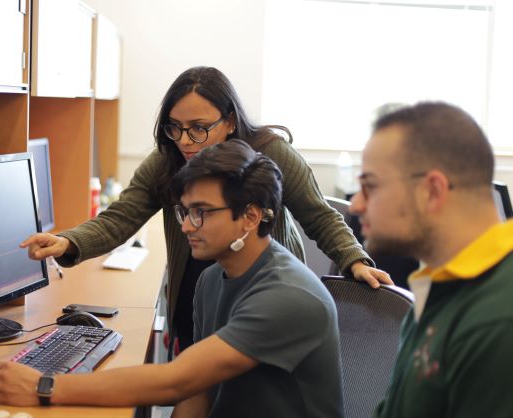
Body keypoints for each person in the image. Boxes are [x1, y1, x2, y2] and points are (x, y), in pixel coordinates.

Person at [20, 66, 391, 352]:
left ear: (229, 121)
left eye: (199, 128)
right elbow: (121, 218)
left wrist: (353, 260)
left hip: (259, 292)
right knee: (201, 382)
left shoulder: (270, 154)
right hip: (198, 288)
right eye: (175, 128)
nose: (185, 140)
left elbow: (319, 215)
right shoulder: (167, 160)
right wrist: (68, 242)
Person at [0, 139, 344, 417]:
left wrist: (45, 385)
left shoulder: (288, 296)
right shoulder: (214, 278)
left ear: (250, 217)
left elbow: (177, 380)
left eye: (201, 213)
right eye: (184, 211)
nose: (186, 226)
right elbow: (196, 392)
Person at [349, 101, 513, 418]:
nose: (355, 204)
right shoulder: (442, 284)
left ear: (432, 191)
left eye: (369, 186)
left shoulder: (499, 319)